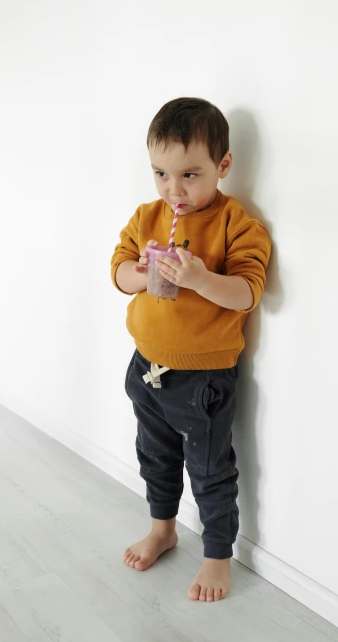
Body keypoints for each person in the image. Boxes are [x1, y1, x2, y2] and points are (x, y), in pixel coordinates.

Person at [110, 97, 271, 602]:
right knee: (154, 457)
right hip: (147, 368)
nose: (173, 190)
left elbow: (248, 290)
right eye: (161, 173)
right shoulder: (148, 216)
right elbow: (117, 269)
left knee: (209, 469)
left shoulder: (234, 223)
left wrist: (201, 278)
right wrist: (137, 274)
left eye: (190, 175)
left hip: (201, 380)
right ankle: (163, 528)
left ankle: (218, 554)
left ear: (223, 167)